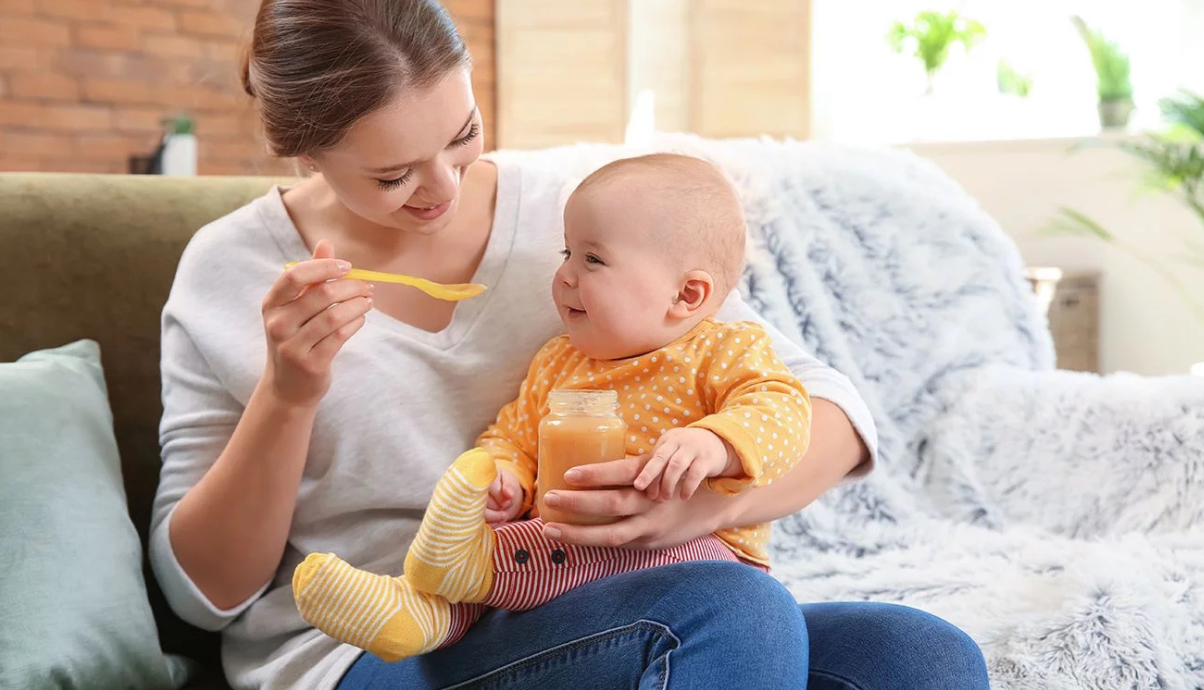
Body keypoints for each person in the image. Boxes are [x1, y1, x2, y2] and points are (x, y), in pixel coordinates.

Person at [149, 1, 991, 688]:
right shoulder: (231, 271)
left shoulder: (581, 217)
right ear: (303, 151)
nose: (442, 188)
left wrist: (705, 507)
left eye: (462, 135)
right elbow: (205, 594)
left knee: (920, 657)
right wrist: (288, 394)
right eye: (393, 174)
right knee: (730, 611)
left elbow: (829, 409)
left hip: (606, 596)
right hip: (381, 646)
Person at [292, 153, 816, 661]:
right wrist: (505, 475)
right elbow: (511, 434)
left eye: (593, 259)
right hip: (562, 567)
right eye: (566, 253)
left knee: (894, 641)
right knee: (526, 537)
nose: (566, 275)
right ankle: (424, 616)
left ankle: (460, 571)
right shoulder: (559, 363)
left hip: (699, 555)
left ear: (686, 296)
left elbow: (784, 410)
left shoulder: (722, 351)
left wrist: (717, 442)